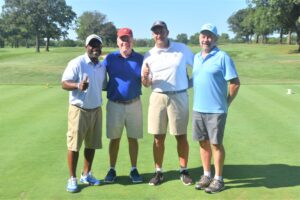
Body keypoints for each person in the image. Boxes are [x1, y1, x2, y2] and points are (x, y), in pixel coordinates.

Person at [141, 20, 194, 186]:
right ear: (152, 34)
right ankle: (158, 172)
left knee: (181, 136)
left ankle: (183, 170)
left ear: (167, 32)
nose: (159, 34)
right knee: (158, 137)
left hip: (179, 97)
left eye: (161, 30)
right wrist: (145, 79)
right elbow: (146, 82)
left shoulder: (182, 49)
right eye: (155, 31)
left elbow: (198, 67)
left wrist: (188, 84)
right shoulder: (149, 55)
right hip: (158, 97)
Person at [192, 23, 240, 193]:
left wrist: (226, 103)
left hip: (216, 110)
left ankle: (218, 179)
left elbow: (234, 83)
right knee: (203, 143)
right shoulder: (196, 57)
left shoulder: (222, 57)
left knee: (216, 144)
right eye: (204, 36)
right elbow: (196, 80)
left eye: (210, 36)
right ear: (199, 37)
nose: (206, 39)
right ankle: (206, 175)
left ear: (215, 38)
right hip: (198, 108)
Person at [62, 34, 106, 193]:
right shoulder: (77, 63)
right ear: (86, 47)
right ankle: (72, 178)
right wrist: (77, 85)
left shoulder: (101, 66)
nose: (95, 48)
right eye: (92, 45)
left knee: (92, 144)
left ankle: (86, 174)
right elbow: (64, 83)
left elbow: (104, 85)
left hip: (96, 109)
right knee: (74, 145)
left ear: (101, 48)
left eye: (97, 45)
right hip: (79, 110)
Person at [102, 28, 143, 184]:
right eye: (122, 39)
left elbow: (146, 79)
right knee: (115, 139)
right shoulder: (110, 58)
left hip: (134, 104)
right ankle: (112, 169)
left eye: (128, 39)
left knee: (133, 139)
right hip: (114, 104)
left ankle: (134, 169)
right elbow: (99, 76)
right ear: (117, 41)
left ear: (132, 40)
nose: (125, 42)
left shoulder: (140, 58)